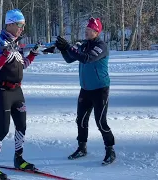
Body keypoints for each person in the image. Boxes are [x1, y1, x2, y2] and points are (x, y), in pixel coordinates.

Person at [0, 9, 39, 179]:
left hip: (17, 90)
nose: (22, 28)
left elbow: (22, 65)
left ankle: (19, 159)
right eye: (20, 25)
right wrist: (6, 53)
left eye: (23, 25)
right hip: (2, 91)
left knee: (22, 126)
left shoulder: (17, 42)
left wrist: (34, 54)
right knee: (3, 129)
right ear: (10, 24)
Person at [55, 17, 116, 165]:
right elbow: (70, 59)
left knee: (100, 122)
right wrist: (64, 49)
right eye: (86, 29)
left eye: (89, 30)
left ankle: (110, 150)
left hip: (100, 89)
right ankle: (82, 148)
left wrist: (69, 47)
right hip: (86, 89)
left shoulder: (101, 46)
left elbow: (87, 59)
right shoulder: (84, 45)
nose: (86, 32)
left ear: (96, 32)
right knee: (81, 120)